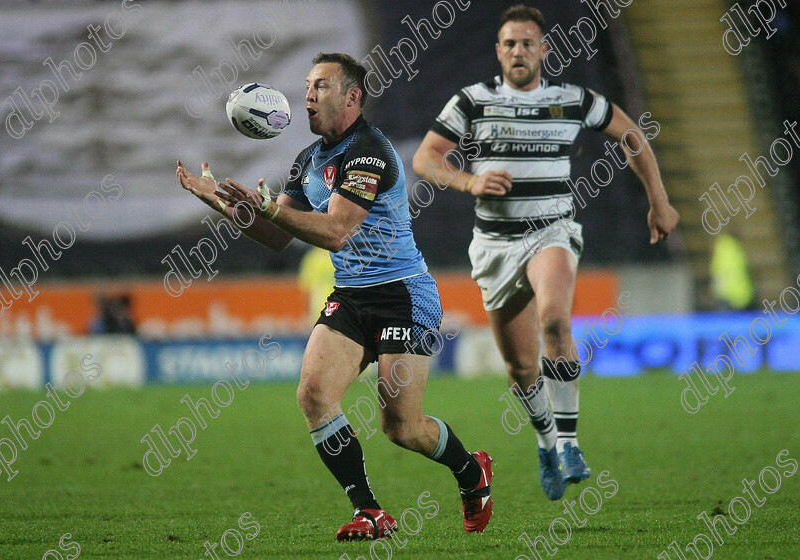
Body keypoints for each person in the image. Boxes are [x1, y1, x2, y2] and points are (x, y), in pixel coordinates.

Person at [176, 53, 493, 538]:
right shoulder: (308, 160)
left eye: (321, 86)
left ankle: (472, 472)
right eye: (307, 85)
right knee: (313, 394)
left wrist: (269, 210)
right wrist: (222, 204)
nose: (307, 95)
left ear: (352, 97)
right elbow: (278, 235)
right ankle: (369, 512)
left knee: (402, 428)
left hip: (402, 295)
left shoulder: (369, 151)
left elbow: (337, 231)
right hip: (351, 295)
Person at [412, 5, 679, 501]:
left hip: (551, 231)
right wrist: (469, 180)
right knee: (520, 367)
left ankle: (571, 444)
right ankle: (546, 442)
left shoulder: (572, 100)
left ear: (543, 50)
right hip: (494, 245)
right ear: (498, 51)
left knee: (555, 321)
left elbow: (633, 137)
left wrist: (659, 201)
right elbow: (425, 157)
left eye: (527, 43)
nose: (518, 51)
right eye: (509, 44)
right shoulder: (472, 101)